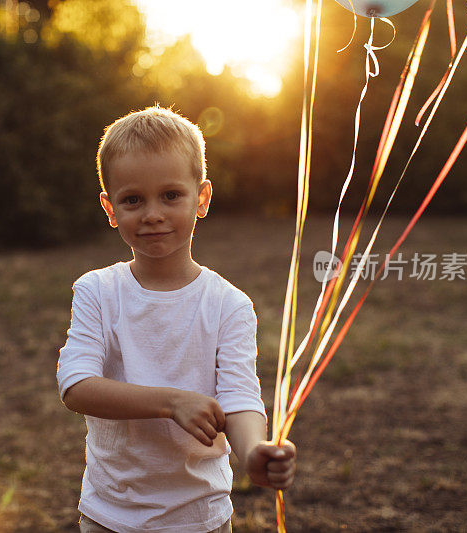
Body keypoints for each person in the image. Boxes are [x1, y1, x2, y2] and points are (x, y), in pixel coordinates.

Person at [56, 106, 296, 533]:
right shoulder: (97, 292)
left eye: (171, 195)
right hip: (110, 516)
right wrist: (172, 402)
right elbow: (76, 387)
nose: (152, 214)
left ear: (201, 199)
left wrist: (254, 450)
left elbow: (240, 399)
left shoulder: (230, 305)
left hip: (199, 518)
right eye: (133, 199)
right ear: (110, 209)